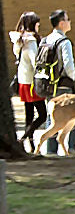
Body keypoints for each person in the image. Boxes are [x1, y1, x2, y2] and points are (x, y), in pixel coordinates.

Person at [44, 9, 75, 155]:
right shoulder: (64, 42)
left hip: (48, 85)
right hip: (63, 85)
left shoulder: (45, 40)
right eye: (68, 19)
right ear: (61, 23)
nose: (70, 22)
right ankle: (71, 148)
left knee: (52, 116)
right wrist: (71, 79)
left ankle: (51, 150)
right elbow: (69, 65)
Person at [9, 12, 47, 153]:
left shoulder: (20, 40)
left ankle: (30, 146)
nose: (39, 25)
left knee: (29, 115)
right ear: (33, 24)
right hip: (32, 82)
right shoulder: (30, 42)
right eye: (37, 23)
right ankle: (23, 138)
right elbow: (34, 61)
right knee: (42, 115)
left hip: (23, 81)